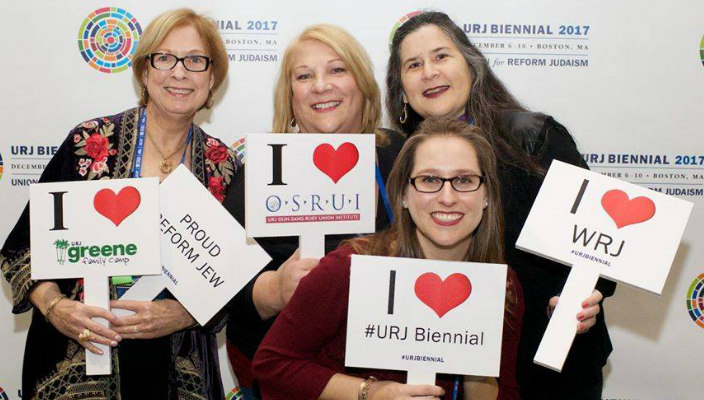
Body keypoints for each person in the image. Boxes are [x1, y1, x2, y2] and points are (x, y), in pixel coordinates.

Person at [0, 8, 237, 399]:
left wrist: (184, 313)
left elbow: (234, 284)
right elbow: (20, 250)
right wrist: (57, 307)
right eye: (164, 58)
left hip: (178, 369)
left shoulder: (223, 166)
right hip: (75, 360)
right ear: (145, 71)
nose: (179, 72)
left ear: (213, 78)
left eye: (196, 60)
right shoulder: (90, 143)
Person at [385, 11, 615, 400]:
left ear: (472, 67)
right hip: (436, 364)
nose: (428, 72)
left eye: (441, 56)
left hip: (544, 363)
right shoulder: (397, 160)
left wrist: (587, 294)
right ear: (402, 91)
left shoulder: (534, 138)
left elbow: (601, 242)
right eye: (413, 64)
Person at [252, 117, 523, 400]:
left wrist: (478, 369)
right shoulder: (349, 268)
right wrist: (369, 392)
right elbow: (272, 365)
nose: (447, 197)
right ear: (404, 194)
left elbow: (503, 388)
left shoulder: (503, 288)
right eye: (429, 179)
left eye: (464, 180)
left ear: (487, 195)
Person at [223, 24, 405, 399]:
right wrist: (273, 289)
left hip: (390, 384)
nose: (321, 85)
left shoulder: (401, 157)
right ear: (290, 97)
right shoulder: (261, 171)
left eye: (337, 70)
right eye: (304, 76)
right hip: (289, 384)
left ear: (363, 85)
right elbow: (219, 283)